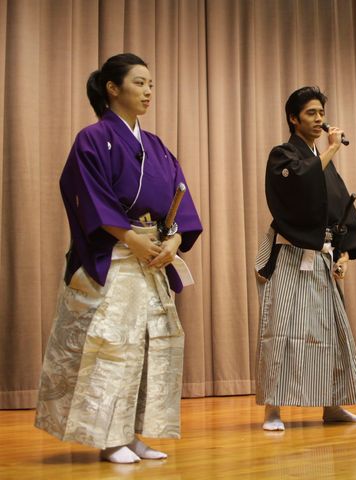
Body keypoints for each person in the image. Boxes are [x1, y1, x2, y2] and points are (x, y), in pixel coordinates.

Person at [35, 53, 202, 463]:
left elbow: (180, 197)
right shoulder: (92, 138)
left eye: (151, 84)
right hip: (117, 256)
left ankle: (136, 433)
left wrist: (174, 241)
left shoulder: (156, 145)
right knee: (114, 347)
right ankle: (110, 437)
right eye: (140, 83)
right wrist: (130, 238)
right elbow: (89, 196)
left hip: (153, 257)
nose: (148, 91)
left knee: (151, 348)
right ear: (113, 88)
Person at [255, 86, 356, 431]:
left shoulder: (326, 166)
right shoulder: (283, 156)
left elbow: (342, 212)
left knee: (330, 331)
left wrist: (345, 254)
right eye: (311, 113)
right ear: (293, 118)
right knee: (283, 329)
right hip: (290, 255)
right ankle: (273, 410)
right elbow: (299, 185)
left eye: (321, 113)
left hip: (322, 257)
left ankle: (332, 405)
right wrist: (331, 149)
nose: (319, 119)